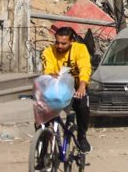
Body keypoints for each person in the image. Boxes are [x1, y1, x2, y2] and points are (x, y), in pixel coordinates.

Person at [39, 25, 92, 153]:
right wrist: (51, 75)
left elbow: (85, 67)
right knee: (42, 117)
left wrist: (82, 86)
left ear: (71, 41)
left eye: (64, 43)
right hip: (56, 86)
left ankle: (82, 137)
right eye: (57, 43)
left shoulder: (80, 49)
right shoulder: (48, 51)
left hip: (77, 86)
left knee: (82, 107)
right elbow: (48, 69)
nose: (60, 46)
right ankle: (42, 151)